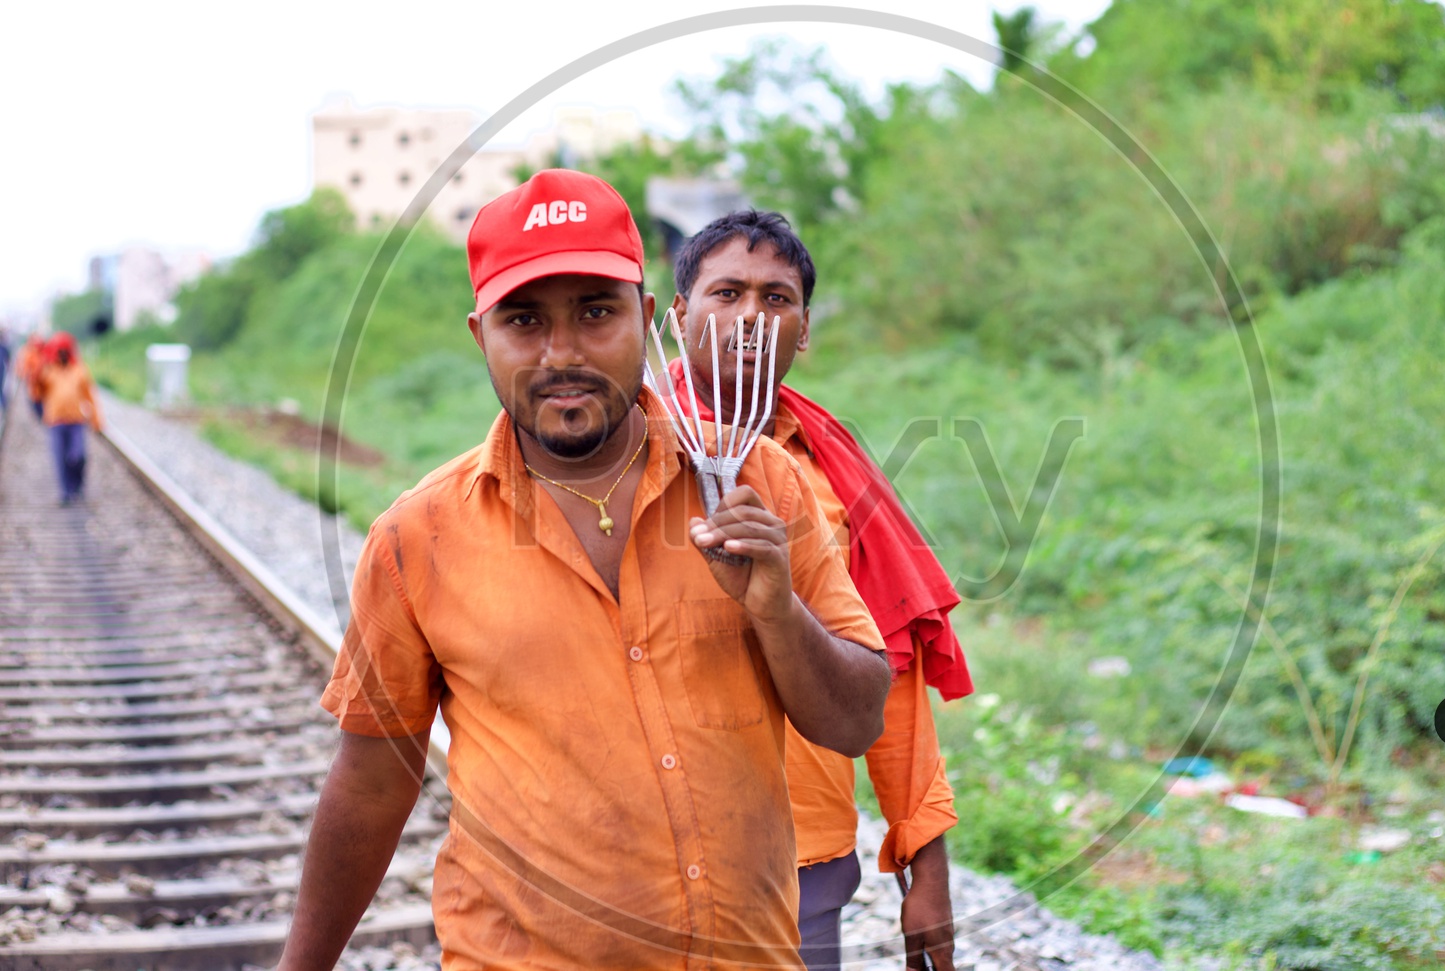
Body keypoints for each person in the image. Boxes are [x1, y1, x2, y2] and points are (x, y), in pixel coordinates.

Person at [280, 170, 893, 971]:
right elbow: (371, 782)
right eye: (525, 319)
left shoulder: (759, 485)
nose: (561, 352)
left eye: (595, 313)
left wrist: (779, 611)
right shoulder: (417, 536)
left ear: (645, 317)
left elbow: (855, 722)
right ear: (481, 335)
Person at [669, 211, 972, 971]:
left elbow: (889, 668)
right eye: (726, 293)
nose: (750, 317)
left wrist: (926, 870)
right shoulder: (614, 445)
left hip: (803, 858)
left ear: (803, 330)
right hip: (647, 855)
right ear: (678, 316)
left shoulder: (828, 467)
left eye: (776, 299)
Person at [35, 332, 103, 504]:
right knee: (60, 459)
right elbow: (36, 393)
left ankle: (78, 484)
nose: (62, 354)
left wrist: (96, 419)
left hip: (76, 421)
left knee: (77, 456)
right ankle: (65, 492)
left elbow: (90, 395)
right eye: (59, 351)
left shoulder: (79, 369)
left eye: (65, 350)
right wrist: (37, 373)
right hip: (55, 422)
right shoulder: (47, 370)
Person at [17, 333, 47, 421]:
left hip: (44, 383)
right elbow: (25, 368)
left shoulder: (44, 352)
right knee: (36, 401)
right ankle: (40, 417)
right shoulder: (28, 353)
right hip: (34, 383)